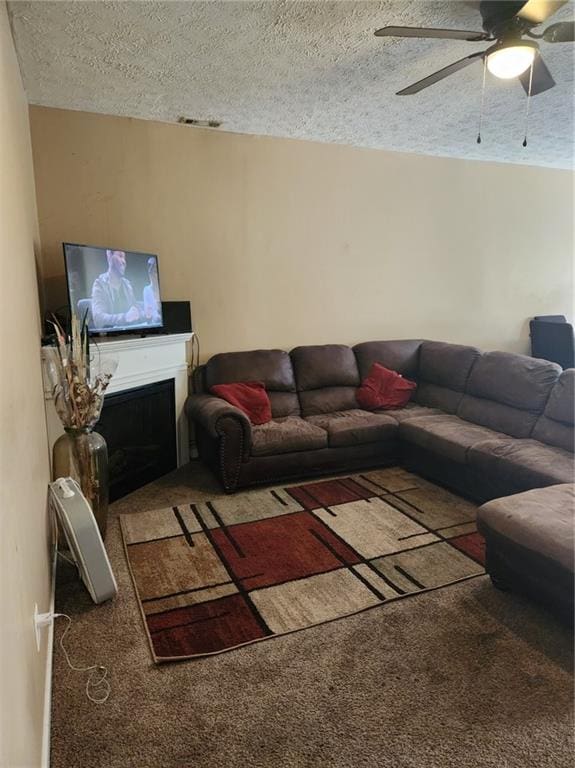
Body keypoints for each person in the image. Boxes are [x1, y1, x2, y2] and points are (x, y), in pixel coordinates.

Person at [91, 250, 141, 329]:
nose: (124, 261)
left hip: (131, 335)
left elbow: (136, 310)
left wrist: (145, 314)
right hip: (109, 339)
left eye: (124, 258)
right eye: (120, 256)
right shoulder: (99, 284)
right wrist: (124, 318)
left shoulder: (127, 284)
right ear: (109, 256)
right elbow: (98, 319)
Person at [143, 257, 161, 325]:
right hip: (153, 324)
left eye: (155, 272)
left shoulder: (162, 290)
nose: (153, 275)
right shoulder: (146, 290)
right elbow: (148, 314)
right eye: (151, 272)